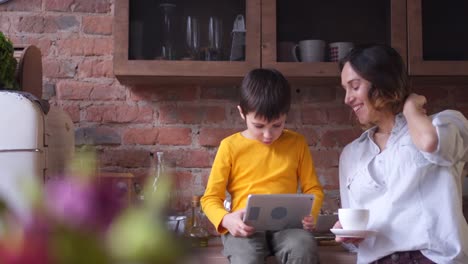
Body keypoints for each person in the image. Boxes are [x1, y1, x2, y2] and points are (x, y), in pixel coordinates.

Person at [334, 44, 468, 263]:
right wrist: (348, 234)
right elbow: (354, 232)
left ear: (382, 84)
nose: (347, 98)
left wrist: (411, 108)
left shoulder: (445, 123)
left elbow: (430, 143)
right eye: (345, 89)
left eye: (355, 86)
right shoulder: (351, 154)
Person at [201, 68, 324, 264]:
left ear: (285, 115)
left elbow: (313, 189)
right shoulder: (229, 146)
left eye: (277, 125)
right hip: (244, 228)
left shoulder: (297, 143)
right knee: (246, 258)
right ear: (242, 112)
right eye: (259, 126)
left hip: (288, 227)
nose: (268, 135)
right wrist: (227, 220)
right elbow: (210, 198)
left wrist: (312, 213)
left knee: (303, 247)